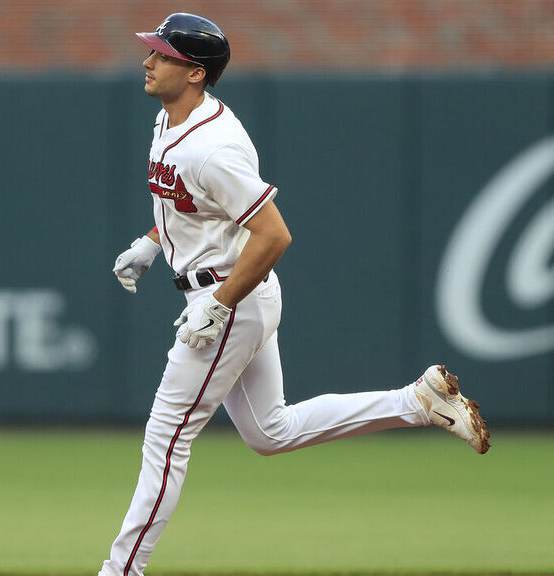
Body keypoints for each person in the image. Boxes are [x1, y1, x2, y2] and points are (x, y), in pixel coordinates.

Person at [101, 13, 490, 576]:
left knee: (166, 436)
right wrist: (152, 241)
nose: (148, 60)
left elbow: (274, 234)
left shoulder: (212, 146)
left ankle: (119, 572)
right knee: (269, 432)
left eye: (162, 54)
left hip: (229, 296)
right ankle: (416, 401)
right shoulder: (171, 121)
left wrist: (218, 305)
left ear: (194, 72)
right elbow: (196, 207)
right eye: (153, 51)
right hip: (227, 291)